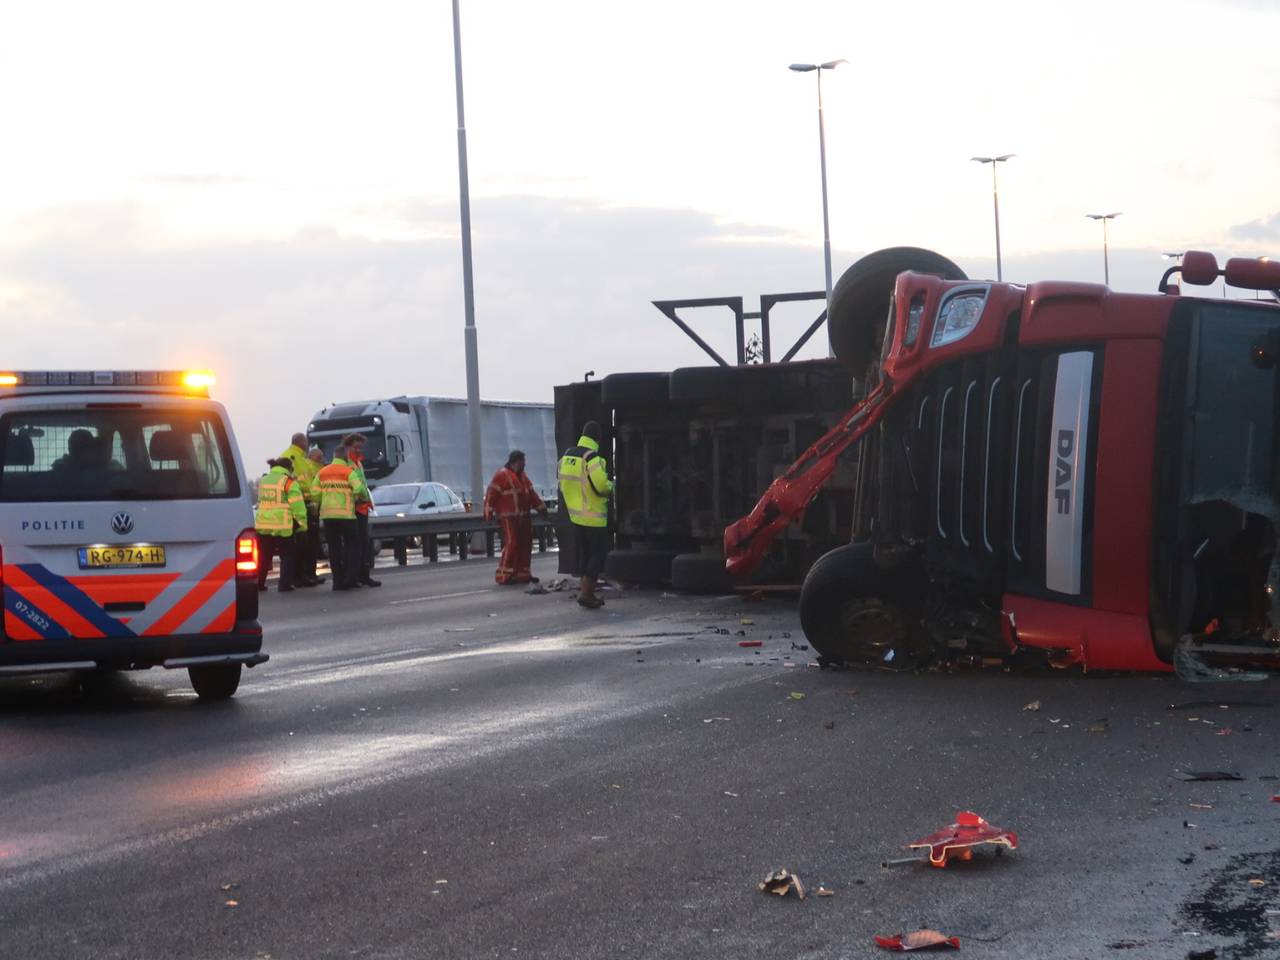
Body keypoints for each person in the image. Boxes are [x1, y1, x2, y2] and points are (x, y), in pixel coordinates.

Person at [557, 421, 613, 609]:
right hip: (594, 517)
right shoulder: (592, 458)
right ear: (597, 438)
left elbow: (562, 483)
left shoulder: (567, 456)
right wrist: (613, 486)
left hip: (575, 516)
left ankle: (585, 590)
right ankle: (587, 594)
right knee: (597, 556)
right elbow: (602, 487)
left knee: (586, 554)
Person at [484, 449, 548, 585]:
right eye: (522, 462)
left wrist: (542, 510)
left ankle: (523, 574)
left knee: (525, 545)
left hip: (523, 518)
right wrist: (488, 513)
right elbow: (491, 494)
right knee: (512, 544)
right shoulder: (501, 476)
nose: (524, 464)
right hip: (508, 519)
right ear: (516, 462)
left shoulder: (523, 477)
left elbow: (532, 495)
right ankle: (504, 574)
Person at [315, 443, 369, 591]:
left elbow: (314, 492)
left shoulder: (323, 472)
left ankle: (337, 582)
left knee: (334, 549)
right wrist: (360, 497)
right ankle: (350, 579)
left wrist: (323, 499)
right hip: (346, 516)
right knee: (353, 547)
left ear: (333, 456)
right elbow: (360, 489)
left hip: (328, 516)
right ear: (345, 457)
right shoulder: (348, 471)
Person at [254, 457, 307, 593]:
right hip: (283, 525)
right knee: (287, 556)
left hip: (264, 523)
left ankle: (259, 583)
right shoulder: (288, 482)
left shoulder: (263, 480)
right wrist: (302, 525)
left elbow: (260, 501)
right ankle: (284, 585)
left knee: (264, 556)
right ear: (289, 468)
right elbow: (298, 506)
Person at [279, 433, 323, 587]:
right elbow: (296, 482)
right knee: (303, 543)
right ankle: (301, 576)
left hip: (304, 503)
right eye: (306, 441)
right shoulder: (293, 457)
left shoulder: (298, 457)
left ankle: (307, 575)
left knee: (308, 543)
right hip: (300, 504)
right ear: (301, 442)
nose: (307, 444)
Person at [343, 432, 381, 588]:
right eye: (356, 447)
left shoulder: (358, 463)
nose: (359, 450)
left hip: (363, 508)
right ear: (348, 447)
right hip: (354, 509)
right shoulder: (347, 464)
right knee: (357, 545)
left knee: (364, 545)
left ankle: (364, 576)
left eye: (360, 447)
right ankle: (357, 576)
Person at [301, 446, 326, 584]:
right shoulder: (313, 469)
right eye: (319, 457)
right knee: (311, 545)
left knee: (311, 545)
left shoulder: (311, 467)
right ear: (312, 458)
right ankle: (310, 574)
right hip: (311, 510)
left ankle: (310, 574)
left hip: (311, 509)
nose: (322, 460)